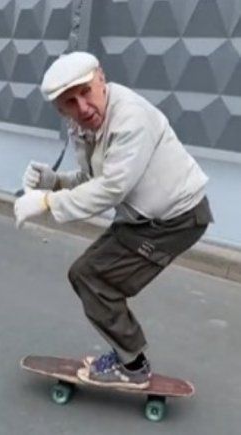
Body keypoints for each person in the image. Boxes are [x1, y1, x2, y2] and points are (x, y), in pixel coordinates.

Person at [14, 52, 213, 389]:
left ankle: (133, 365)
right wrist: (55, 181)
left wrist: (47, 202)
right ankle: (127, 355)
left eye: (86, 92)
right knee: (87, 274)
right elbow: (95, 175)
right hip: (142, 218)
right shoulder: (84, 125)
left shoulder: (130, 118)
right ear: (60, 110)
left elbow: (111, 188)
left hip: (176, 221)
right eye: (70, 103)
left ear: (101, 79)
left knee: (94, 277)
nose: (83, 107)